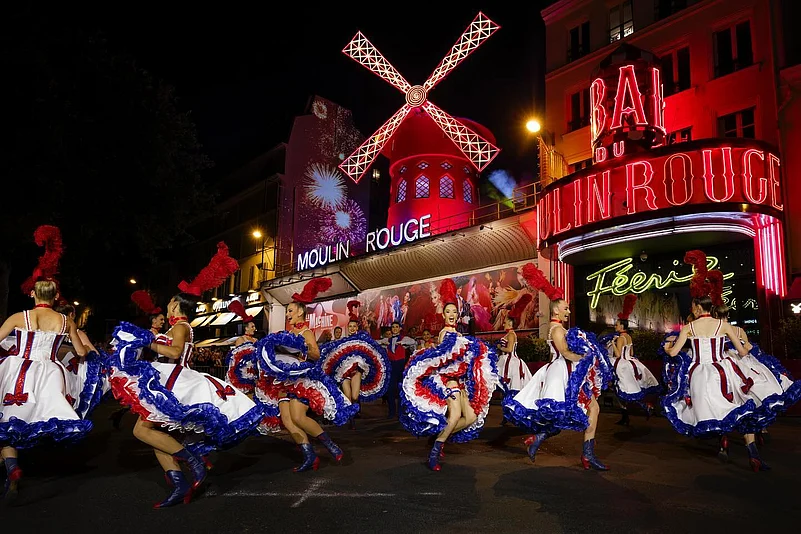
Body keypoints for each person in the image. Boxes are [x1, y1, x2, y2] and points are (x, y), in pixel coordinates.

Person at [108, 243, 266, 508]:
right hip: (167, 377)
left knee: (142, 430)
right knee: (157, 434)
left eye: (171, 302)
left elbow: (176, 350)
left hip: (174, 379)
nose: (168, 305)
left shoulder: (181, 326)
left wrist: (149, 342)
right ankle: (181, 483)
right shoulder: (176, 326)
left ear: (177, 307)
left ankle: (192, 462)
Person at [0, 226, 92, 502]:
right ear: (55, 297)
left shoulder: (20, 317)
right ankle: (14, 470)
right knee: (36, 417)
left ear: (33, 294)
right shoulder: (66, 321)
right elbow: (81, 352)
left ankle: (13, 468)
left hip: (18, 370)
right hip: (50, 372)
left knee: (6, 418)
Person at [661, 250, 771, 472]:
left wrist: (666, 347)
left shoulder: (689, 327)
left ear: (698, 307)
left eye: (692, 305)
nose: (691, 308)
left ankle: (724, 440)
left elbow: (673, 354)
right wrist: (748, 347)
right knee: (741, 407)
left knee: (717, 409)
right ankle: (753, 454)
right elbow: (741, 351)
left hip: (700, 373)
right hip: (724, 370)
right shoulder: (725, 325)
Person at [503, 263, 611, 470]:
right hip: (564, 372)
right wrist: (586, 356)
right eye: (565, 308)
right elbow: (565, 353)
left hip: (567, 372)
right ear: (556, 310)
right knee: (579, 411)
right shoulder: (556, 329)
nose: (568, 311)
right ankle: (585, 454)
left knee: (577, 412)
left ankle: (543, 440)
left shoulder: (558, 327)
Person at [253, 278, 357, 472]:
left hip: (300, 380)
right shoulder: (288, 332)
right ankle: (310, 456)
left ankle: (331, 445)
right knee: (287, 420)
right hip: (283, 380)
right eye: (288, 311)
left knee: (298, 417)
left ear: (300, 311)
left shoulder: (306, 332)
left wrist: (301, 348)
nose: (288, 314)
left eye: (291, 310)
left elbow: (316, 354)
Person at [400, 278, 499, 471]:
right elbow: (446, 358)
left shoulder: (459, 335)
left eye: (454, 311)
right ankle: (434, 453)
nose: (452, 314)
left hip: (459, 382)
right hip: (448, 382)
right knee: (454, 417)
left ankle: (439, 438)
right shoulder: (446, 334)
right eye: (448, 312)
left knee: (471, 417)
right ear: (443, 315)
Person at [320, 307, 391, 430]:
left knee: (355, 397)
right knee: (347, 398)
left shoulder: (361, 340)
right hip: (343, 375)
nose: (352, 328)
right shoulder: (342, 342)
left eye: (354, 326)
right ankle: (351, 421)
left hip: (356, 372)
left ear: (357, 327)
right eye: (350, 326)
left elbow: (372, 349)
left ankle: (352, 417)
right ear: (348, 328)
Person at [606, 294, 660, 426]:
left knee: (620, 390)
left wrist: (612, 343)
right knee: (627, 391)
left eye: (617, 324)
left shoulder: (620, 338)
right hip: (631, 362)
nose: (615, 326)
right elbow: (631, 352)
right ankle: (628, 414)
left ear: (622, 326)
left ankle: (633, 411)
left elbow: (618, 354)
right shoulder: (629, 337)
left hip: (622, 364)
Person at [55, 302, 109, 420]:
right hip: (73, 372)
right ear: (71, 314)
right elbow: (93, 352)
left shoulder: (53, 330)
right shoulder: (77, 333)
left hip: (53, 369)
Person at [378, 321, 417, 418]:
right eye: (393, 327)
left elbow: (413, 342)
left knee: (400, 390)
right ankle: (391, 412)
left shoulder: (405, 339)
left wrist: (402, 343)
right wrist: (383, 342)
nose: (394, 328)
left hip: (400, 366)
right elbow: (376, 342)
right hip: (391, 367)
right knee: (390, 390)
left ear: (400, 328)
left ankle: (400, 412)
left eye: (396, 327)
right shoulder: (387, 340)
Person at [496, 296, 534, 394]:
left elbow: (509, 349)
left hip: (511, 362)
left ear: (509, 323)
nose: (503, 324)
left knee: (511, 385)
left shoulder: (511, 335)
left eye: (505, 322)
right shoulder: (508, 334)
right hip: (505, 360)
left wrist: (500, 347)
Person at [225, 301, 258, 396]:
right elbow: (236, 358)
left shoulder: (256, 340)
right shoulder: (240, 339)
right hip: (242, 372)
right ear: (246, 328)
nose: (254, 328)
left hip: (254, 371)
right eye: (252, 326)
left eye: (254, 326)